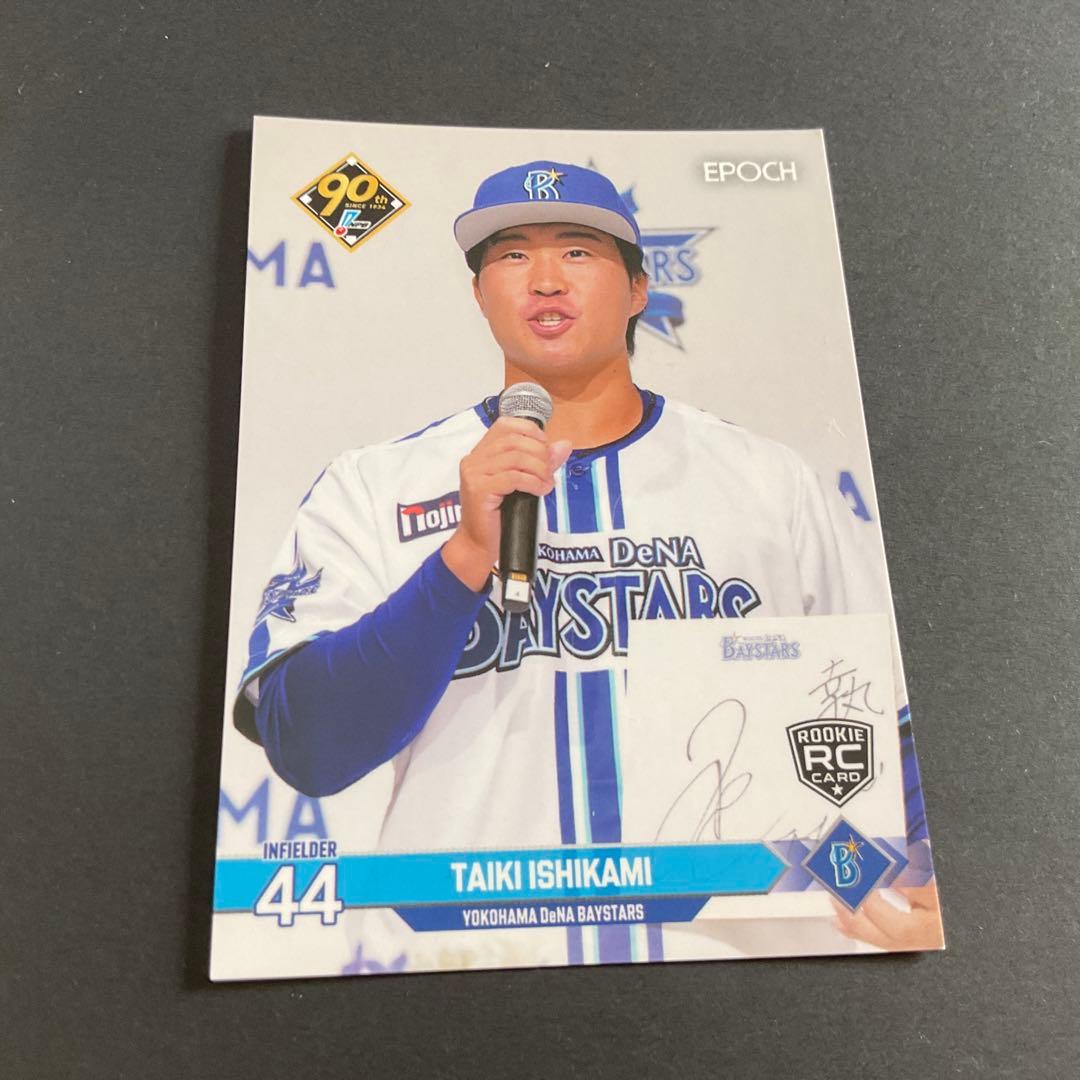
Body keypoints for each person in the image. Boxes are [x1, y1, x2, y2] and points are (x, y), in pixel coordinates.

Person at [235, 160, 879, 858]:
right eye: (513, 255)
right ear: (479, 294)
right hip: (463, 917)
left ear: (638, 289)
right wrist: (462, 559)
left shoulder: (769, 482)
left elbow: (878, 718)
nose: (546, 280)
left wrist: (889, 880)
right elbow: (309, 749)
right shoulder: (372, 484)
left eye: (578, 251)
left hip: (727, 914)